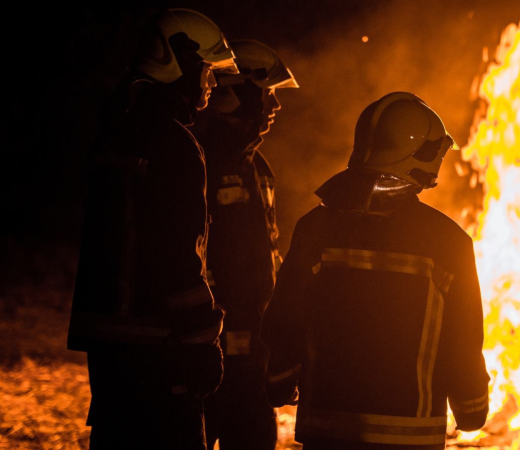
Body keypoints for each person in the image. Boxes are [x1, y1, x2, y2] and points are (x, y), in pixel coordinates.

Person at [262, 92, 491, 450]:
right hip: (410, 438)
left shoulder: (315, 227)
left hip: (326, 433)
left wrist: (278, 380)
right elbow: (463, 343)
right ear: (421, 156)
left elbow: (285, 319)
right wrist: (471, 408)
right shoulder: (448, 242)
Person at [67, 8, 238, 450]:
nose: (211, 83)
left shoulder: (115, 130)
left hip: (107, 344)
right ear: (179, 61)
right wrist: (202, 340)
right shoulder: (175, 144)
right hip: (159, 345)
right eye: (207, 70)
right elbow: (177, 257)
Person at [194, 39, 298, 450]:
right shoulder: (197, 161)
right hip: (207, 352)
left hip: (252, 353)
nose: (274, 108)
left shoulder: (258, 168)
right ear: (232, 94)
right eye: (266, 95)